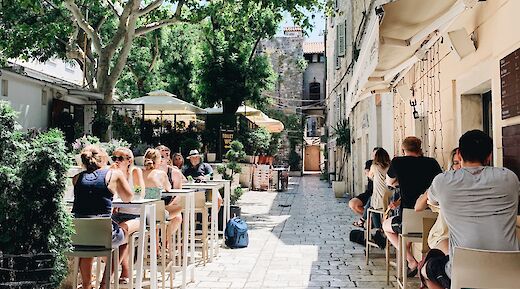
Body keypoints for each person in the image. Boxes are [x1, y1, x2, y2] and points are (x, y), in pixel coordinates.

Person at [419, 130, 519, 289]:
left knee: (426, 268)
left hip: (464, 273)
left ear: (458, 154)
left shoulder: (443, 181)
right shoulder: (510, 178)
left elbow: (428, 201)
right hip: (510, 271)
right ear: (489, 156)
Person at [72, 145, 139, 289]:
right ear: (103, 159)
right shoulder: (114, 174)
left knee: (88, 244)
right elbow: (128, 197)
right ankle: (105, 283)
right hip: (105, 235)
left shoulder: (76, 178)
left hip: (80, 236)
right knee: (133, 226)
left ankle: (87, 286)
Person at [382, 136, 442, 277]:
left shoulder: (398, 162)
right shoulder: (432, 163)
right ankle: (416, 264)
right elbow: (440, 183)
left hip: (408, 220)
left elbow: (389, 182)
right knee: (406, 237)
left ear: (404, 149)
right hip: (432, 221)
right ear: (419, 148)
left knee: (386, 226)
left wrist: (400, 182)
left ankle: (411, 261)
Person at [415, 148, 461, 254]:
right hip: (445, 236)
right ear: (452, 166)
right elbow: (418, 207)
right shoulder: (444, 184)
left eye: (462, 162)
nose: (460, 167)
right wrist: (433, 189)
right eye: (456, 163)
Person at [109, 147, 145, 284]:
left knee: (121, 232)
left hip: (136, 215)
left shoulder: (135, 171)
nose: (117, 161)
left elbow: (139, 193)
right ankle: (116, 269)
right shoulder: (112, 172)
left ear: (129, 160)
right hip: (118, 214)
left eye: (120, 158)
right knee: (104, 234)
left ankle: (124, 270)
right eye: (114, 158)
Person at [350, 147, 380, 227]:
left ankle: (364, 220)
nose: (375, 156)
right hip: (370, 191)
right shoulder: (370, 163)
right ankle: (371, 220)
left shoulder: (386, 165)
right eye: (374, 155)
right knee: (353, 204)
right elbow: (367, 173)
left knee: (373, 203)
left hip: (379, 193)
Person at [367, 147, 392, 229]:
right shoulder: (391, 167)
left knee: (373, 209)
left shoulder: (374, 166)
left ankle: (378, 229)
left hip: (378, 199)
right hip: (390, 198)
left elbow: (370, 176)